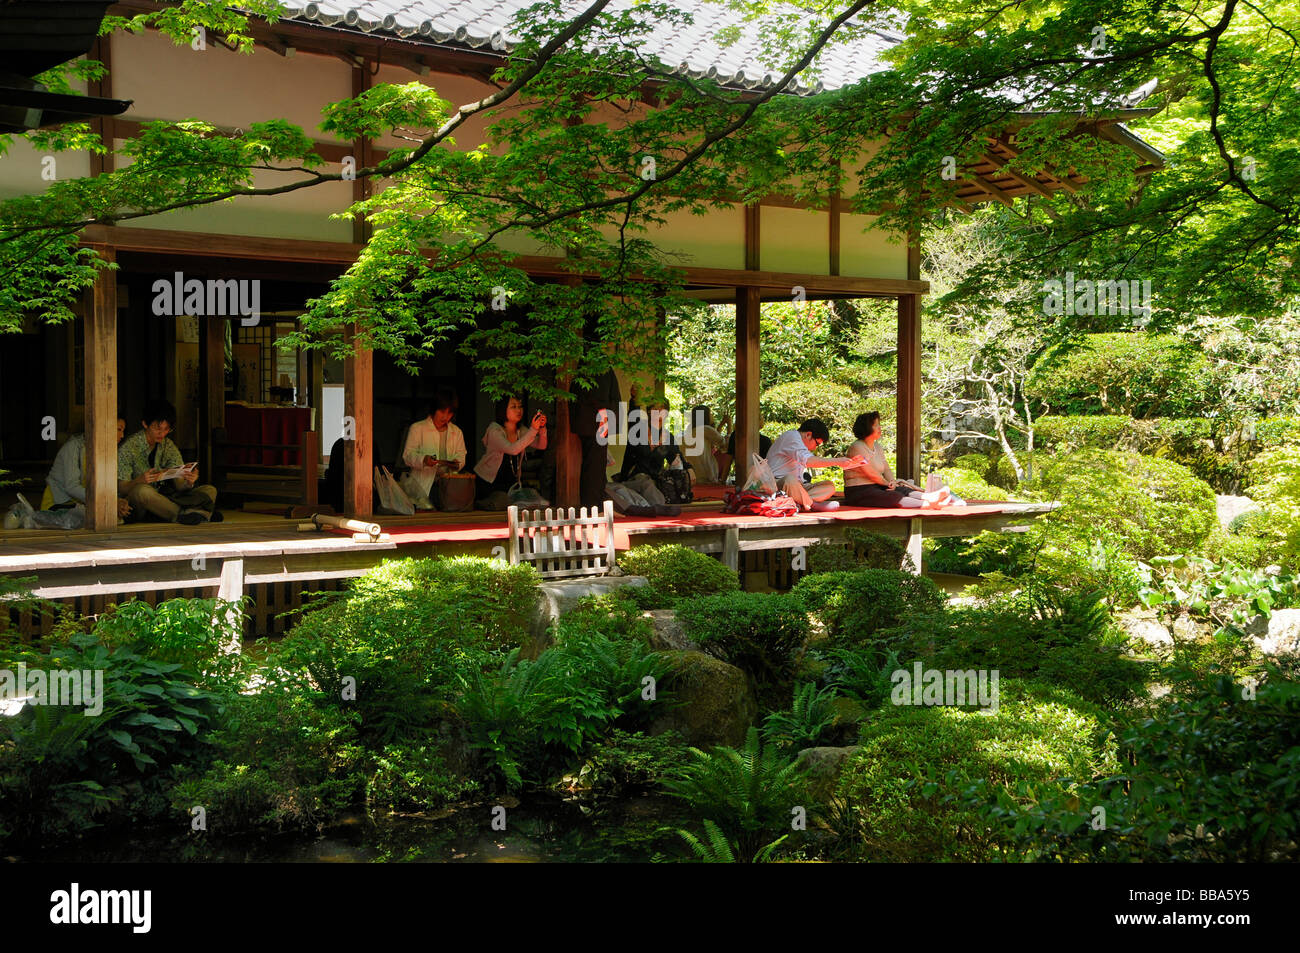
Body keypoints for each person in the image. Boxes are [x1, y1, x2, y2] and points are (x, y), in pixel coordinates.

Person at [117, 399, 220, 524]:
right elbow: (122, 488)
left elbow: (179, 484)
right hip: (142, 504)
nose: (162, 433)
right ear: (145, 424)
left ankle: (191, 514)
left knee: (209, 490)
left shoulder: (168, 445)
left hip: (165, 500)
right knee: (142, 491)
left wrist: (188, 482)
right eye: (157, 428)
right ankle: (194, 514)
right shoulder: (128, 447)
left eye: (167, 429)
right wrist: (139, 480)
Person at [842, 411, 959, 508]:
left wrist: (892, 482)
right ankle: (928, 504)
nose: (880, 428)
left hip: (877, 485)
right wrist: (887, 483)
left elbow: (886, 468)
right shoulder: (857, 447)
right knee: (890, 496)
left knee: (900, 489)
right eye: (876, 425)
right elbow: (871, 473)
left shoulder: (877, 446)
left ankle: (929, 498)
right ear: (867, 427)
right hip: (859, 491)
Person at [765, 418, 865, 512]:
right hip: (777, 485)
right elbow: (809, 461)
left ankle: (799, 503)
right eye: (817, 444)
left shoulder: (800, 443)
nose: (814, 448)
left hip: (797, 488)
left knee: (829, 486)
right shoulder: (791, 437)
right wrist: (837, 461)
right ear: (808, 435)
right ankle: (812, 505)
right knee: (790, 479)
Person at [43, 417, 132, 520]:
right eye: (119, 429)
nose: (122, 435)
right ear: (102, 427)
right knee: (100, 518)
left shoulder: (106, 452)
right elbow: (71, 487)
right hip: (59, 504)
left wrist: (118, 501)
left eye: (123, 431)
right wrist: (108, 501)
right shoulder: (73, 447)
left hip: (85, 504)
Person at [614, 393, 691, 504]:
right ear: (649, 412)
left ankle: (656, 505)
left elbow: (677, 458)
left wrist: (689, 469)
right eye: (655, 410)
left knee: (655, 487)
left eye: (662, 410)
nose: (659, 414)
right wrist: (635, 398)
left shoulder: (668, 437)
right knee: (646, 483)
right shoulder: (637, 431)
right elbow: (633, 415)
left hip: (656, 482)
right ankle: (659, 506)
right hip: (633, 480)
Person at [474, 395, 548, 503]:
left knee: (534, 499)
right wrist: (533, 429)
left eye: (520, 406)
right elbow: (512, 449)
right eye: (513, 407)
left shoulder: (520, 430)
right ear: (503, 410)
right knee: (502, 501)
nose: (518, 410)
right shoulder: (494, 430)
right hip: (489, 483)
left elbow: (541, 445)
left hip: (510, 484)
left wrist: (541, 428)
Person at [402, 388, 467, 502]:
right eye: (442, 412)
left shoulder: (456, 432)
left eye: (449, 413)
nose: (445, 417)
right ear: (434, 409)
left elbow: (462, 455)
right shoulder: (417, 428)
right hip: (422, 485)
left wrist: (457, 463)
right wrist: (424, 460)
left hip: (448, 485)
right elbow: (407, 456)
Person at [571, 364, 621, 509]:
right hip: (596, 422)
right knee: (593, 467)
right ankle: (592, 506)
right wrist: (605, 414)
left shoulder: (590, 365)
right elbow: (598, 397)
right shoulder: (597, 366)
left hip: (595, 422)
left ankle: (597, 505)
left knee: (596, 466)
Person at [718, 415, 772, 484]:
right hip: (759, 481)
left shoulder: (735, 435)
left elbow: (729, 460)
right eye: (761, 418)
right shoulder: (766, 441)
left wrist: (723, 480)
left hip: (744, 479)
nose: (763, 420)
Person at [683, 405, 727, 484]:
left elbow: (714, 437)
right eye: (710, 413)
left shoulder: (689, 432)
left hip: (692, 477)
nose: (712, 415)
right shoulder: (706, 429)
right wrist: (729, 425)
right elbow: (725, 445)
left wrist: (721, 425)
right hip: (707, 477)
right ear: (705, 416)